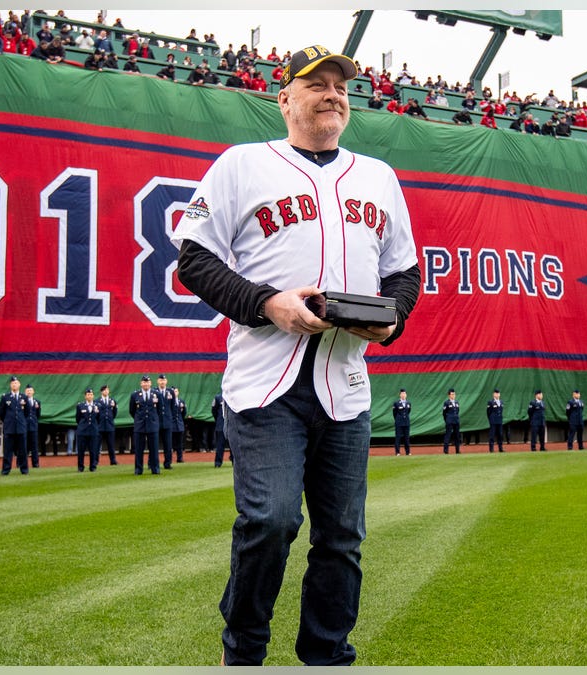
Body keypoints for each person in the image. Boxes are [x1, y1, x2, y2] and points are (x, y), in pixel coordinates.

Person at [171, 45, 420, 666]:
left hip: (345, 385)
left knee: (341, 537)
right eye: (317, 84)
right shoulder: (242, 165)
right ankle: (245, 648)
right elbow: (194, 260)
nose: (333, 93)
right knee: (273, 521)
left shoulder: (378, 176)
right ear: (285, 99)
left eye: (341, 85)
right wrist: (267, 303)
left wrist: (391, 319)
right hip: (265, 382)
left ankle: (326, 654)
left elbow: (405, 272)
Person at [129, 375, 161, 475]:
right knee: (139, 450)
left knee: (154, 449)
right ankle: (138, 469)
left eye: (147, 382)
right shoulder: (135, 395)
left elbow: (159, 410)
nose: (146, 384)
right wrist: (138, 419)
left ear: (150, 383)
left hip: (152, 425)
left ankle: (155, 469)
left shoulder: (156, 394)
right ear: (141, 383)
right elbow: (132, 410)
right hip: (140, 425)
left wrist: (154, 420)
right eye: (144, 382)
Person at [0, 376, 29, 476]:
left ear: (19, 384)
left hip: (20, 427)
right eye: (12, 383)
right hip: (9, 428)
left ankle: (24, 469)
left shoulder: (24, 397)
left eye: (16, 383)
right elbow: (1, 413)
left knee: (23, 450)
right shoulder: (5, 397)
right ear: (10, 385)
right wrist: (8, 421)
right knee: (8, 450)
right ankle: (6, 470)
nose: (14, 385)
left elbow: (27, 413)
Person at [75, 388, 101, 472]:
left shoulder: (98, 406)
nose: (90, 396)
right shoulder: (80, 405)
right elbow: (78, 419)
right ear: (85, 396)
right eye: (88, 395)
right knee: (81, 451)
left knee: (93, 450)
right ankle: (80, 467)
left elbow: (99, 418)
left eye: (91, 394)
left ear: (93, 396)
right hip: (82, 431)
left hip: (93, 431)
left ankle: (93, 467)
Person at [154, 375, 176, 469]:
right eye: (160, 380)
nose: (162, 382)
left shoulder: (170, 392)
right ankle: (153, 463)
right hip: (156, 422)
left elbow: (173, 407)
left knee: (168, 444)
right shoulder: (154, 392)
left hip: (167, 422)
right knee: (154, 444)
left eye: (164, 380)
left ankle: (168, 463)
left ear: (166, 381)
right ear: (157, 381)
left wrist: (170, 418)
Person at [98, 385, 119, 465]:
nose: (106, 391)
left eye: (107, 390)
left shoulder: (112, 401)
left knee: (111, 445)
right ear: (101, 392)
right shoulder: (98, 401)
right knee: (97, 445)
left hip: (110, 425)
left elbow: (114, 413)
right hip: (100, 426)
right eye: (104, 390)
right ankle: (95, 461)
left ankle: (113, 460)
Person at [24, 384, 42, 467]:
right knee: (24, 446)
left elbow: (38, 414)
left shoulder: (37, 402)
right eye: (27, 391)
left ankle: (36, 463)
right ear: (25, 392)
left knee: (34, 446)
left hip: (33, 426)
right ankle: (22, 463)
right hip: (24, 426)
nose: (29, 392)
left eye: (30, 390)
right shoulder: (22, 401)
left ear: (33, 391)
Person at [212, 392, 229, 467]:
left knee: (233, 445)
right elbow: (214, 411)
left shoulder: (233, 396)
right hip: (220, 424)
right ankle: (218, 462)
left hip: (231, 424)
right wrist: (218, 420)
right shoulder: (218, 397)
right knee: (220, 445)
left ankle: (234, 462)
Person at [392, 389, 411, 456]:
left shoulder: (408, 403)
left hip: (406, 422)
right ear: (400, 395)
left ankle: (408, 452)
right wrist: (398, 419)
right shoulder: (396, 403)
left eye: (404, 394)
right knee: (398, 437)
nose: (403, 395)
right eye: (402, 394)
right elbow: (394, 413)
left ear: (406, 395)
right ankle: (397, 452)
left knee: (407, 437)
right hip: (399, 423)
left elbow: (408, 411)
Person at [172, 386, 187, 463]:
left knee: (180, 443)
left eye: (176, 391)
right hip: (171, 425)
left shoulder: (181, 401)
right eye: (174, 391)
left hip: (179, 425)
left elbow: (184, 412)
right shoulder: (170, 401)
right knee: (170, 443)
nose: (175, 393)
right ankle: (169, 459)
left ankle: (180, 458)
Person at [442, 388, 461, 454]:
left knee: (457, 436)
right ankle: (446, 451)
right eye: (452, 394)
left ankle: (457, 450)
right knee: (448, 435)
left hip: (456, 421)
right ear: (449, 395)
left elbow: (458, 411)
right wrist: (447, 420)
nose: (453, 395)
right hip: (449, 421)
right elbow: (444, 413)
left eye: (454, 394)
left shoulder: (457, 402)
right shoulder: (446, 403)